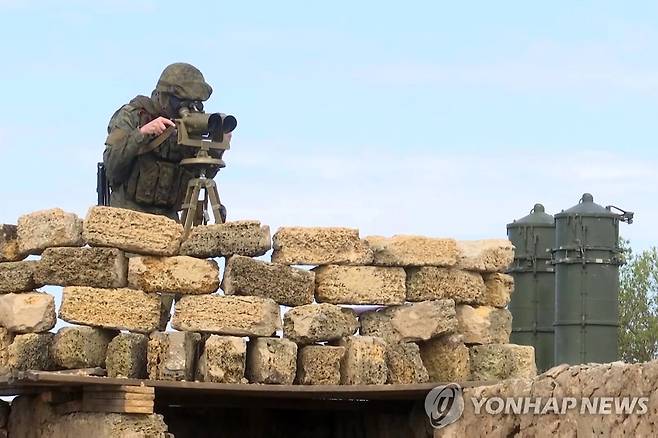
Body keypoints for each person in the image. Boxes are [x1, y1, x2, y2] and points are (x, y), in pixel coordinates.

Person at [103, 62, 227, 221]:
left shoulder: (186, 125)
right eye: (181, 102)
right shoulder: (133, 115)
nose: (188, 108)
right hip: (127, 218)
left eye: (195, 103)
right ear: (163, 96)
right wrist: (142, 133)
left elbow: (200, 176)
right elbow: (112, 166)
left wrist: (217, 148)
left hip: (168, 222)